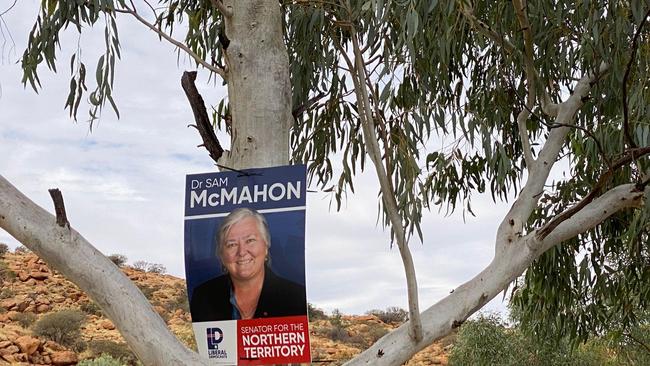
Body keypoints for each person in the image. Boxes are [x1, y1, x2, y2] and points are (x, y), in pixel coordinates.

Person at [190, 207, 307, 322]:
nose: (241, 252)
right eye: (232, 244)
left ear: (266, 246)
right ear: (221, 254)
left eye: (250, 240)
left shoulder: (295, 297)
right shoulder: (203, 296)